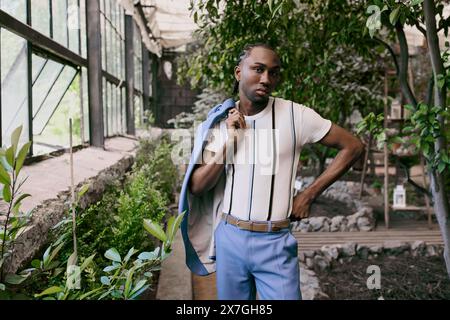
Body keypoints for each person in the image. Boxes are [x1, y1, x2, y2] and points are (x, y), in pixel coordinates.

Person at [178, 43, 364, 300]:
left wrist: (308, 195)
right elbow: (198, 186)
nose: (266, 79)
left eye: (273, 73)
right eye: (258, 69)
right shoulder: (221, 123)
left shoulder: (296, 116)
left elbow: (353, 146)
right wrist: (230, 141)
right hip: (230, 238)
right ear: (238, 72)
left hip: (275, 242)